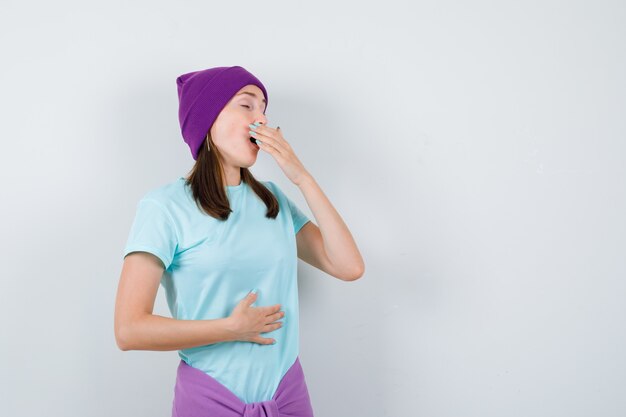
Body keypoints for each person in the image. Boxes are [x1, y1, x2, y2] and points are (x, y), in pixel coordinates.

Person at [114, 65, 365, 417]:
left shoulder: (272, 200)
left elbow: (348, 266)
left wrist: (302, 178)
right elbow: (129, 329)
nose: (261, 119)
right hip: (210, 400)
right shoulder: (164, 207)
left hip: (288, 396)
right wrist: (230, 328)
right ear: (208, 119)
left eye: (264, 109)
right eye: (247, 106)